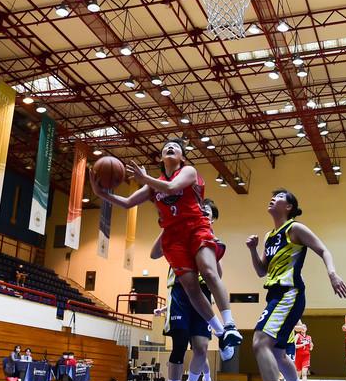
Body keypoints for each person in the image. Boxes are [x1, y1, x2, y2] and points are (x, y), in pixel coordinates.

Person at [89, 139, 242, 355]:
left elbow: (171, 188)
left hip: (196, 226)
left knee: (208, 271)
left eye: (175, 147)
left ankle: (230, 324)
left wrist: (145, 179)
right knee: (190, 288)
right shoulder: (153, 184)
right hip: (173, 236)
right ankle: (220, 333)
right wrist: (101, 194)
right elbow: (127, 203)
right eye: (166, 147)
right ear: (161, 158)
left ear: (182, 157)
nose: (170, 148)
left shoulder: (189, 171)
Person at [245, 189, 346, 381]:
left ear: (289, 207)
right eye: (273, 195)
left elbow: (323, 249)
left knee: (260, 342)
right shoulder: (270, 236)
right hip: (274, 294)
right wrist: (252, 249)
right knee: (277, 352)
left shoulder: (295, 228)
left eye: (280, 196)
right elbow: (261, 271)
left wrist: (332, 274)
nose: (273, 198)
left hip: (289, 292)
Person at [151, 198, 222, 381]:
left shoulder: (210, 240)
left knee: (201, 348)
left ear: (213, 219)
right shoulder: (178, 232)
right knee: (180, 344)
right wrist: (170, 225)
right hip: (180, 291)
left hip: (202, 295)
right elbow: (154, 254)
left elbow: (218, 276)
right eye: (201, 210)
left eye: (208, 212)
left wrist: (215, 253)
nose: (204, 214)